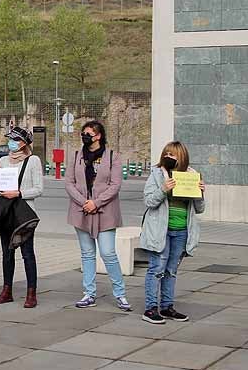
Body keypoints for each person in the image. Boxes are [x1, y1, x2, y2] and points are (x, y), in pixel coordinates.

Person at [65, 120, 129, 311]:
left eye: (89, 133)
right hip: (81, 210)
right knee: (87, 254)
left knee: (108, 253)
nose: (85, 136)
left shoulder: (112, 156)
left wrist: (96, 202)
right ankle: (89, 293)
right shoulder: (76, 155)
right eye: (83, 133)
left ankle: (120, 294)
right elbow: (69, 182)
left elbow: (115, 185)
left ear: (98, 135)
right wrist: (84, 202)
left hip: (105, 211)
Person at [140, 141, 205, 324]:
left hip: (181, 230)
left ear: (182, 157)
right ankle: (150, 308)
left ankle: (167, 307)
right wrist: (163, 189)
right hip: (160, 230)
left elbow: (199, 209)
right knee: (156, 269)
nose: (169, 157)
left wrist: (200, 193)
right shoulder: (157, 174)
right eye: (166, 153)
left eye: (173, 154)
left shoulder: (191, 176)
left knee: (171, 270)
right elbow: (149, 201)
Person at [0, 126, 43, 308]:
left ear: (24, 143)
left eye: (15, 140)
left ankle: (31, 293)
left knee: (27, 253)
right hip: (6, 212)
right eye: (10, 139)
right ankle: (7, 290)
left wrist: (19, 193)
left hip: (24, 212)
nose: (11, 143)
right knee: (7, 253)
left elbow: (38, 189)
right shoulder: (3, 160)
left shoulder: (33, 160)